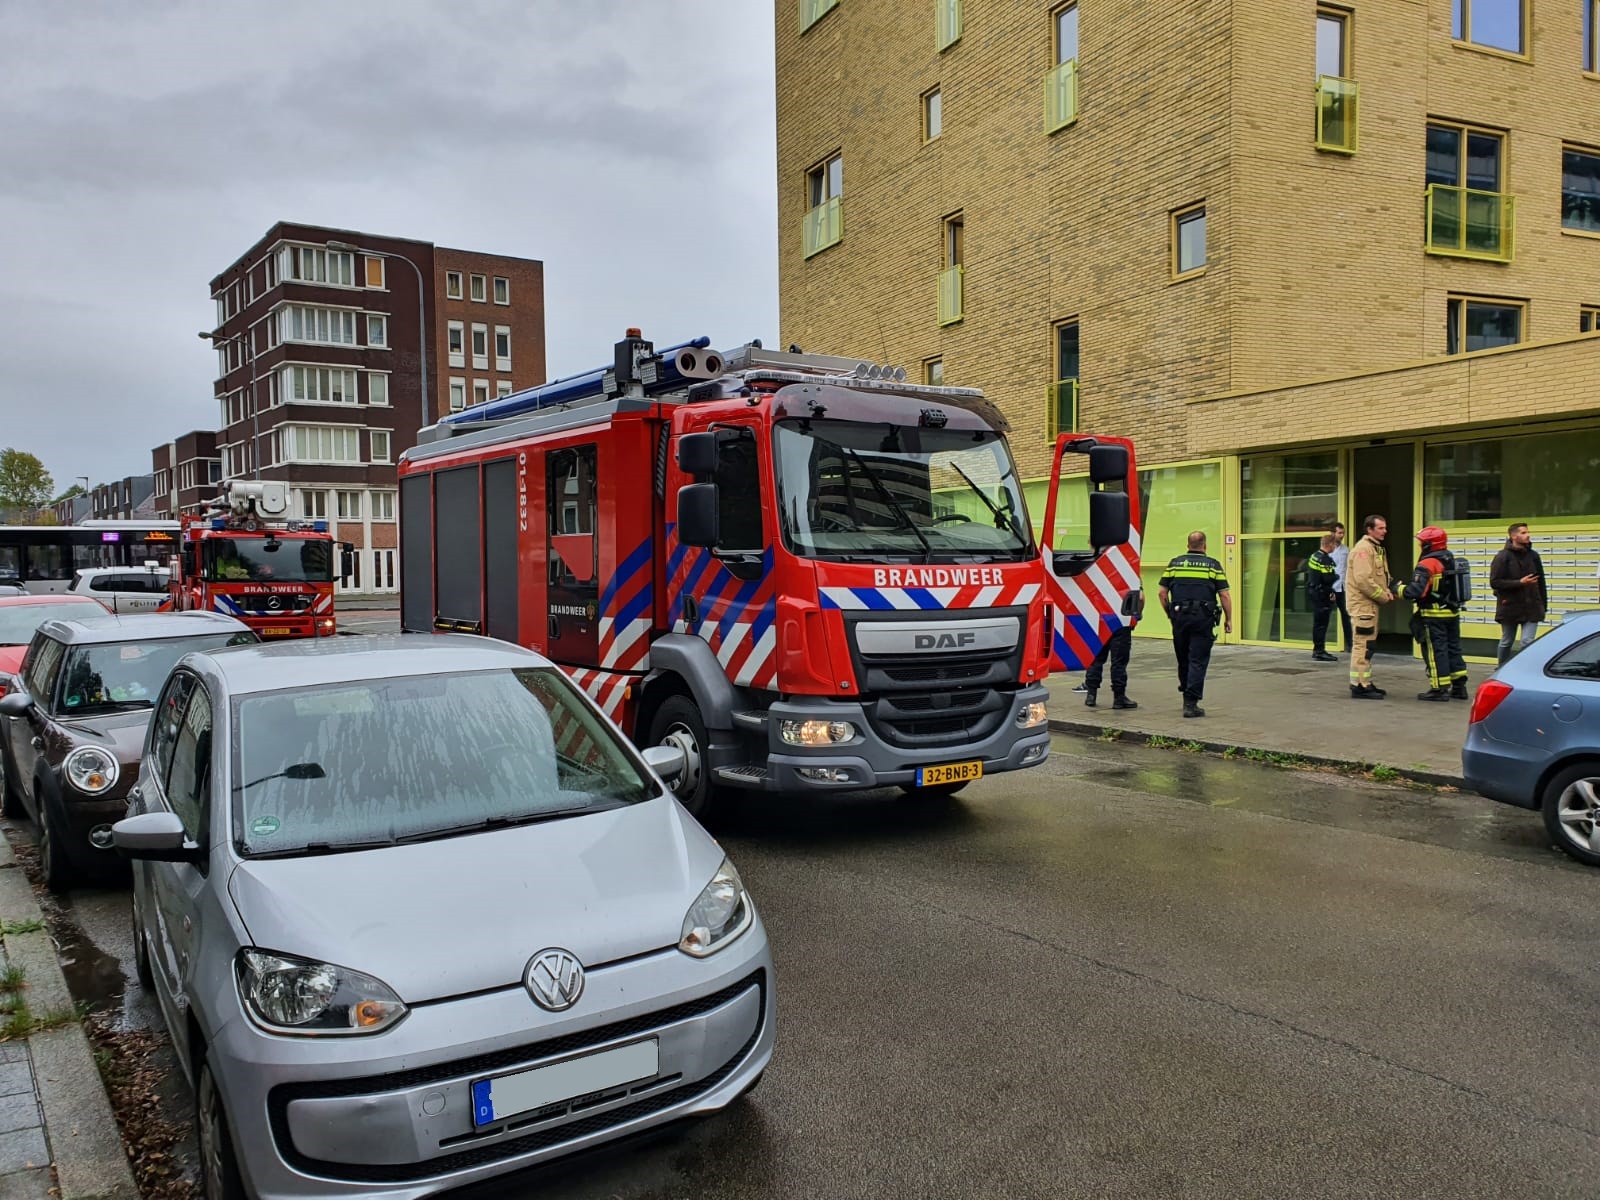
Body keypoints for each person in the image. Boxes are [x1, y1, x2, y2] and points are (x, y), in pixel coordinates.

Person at [1158, 531, 1232, 718]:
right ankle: (1191, 704)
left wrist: (1169, 614)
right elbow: (1224, 595)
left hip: (1180, 618)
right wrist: (1228, 619)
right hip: (1202, 619)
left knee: (1183, 657)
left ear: (1188, 545)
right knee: (1197, 659)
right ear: (1204, 546)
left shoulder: (1174, 564)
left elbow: (1162, 593)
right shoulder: (1213, 565)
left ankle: (1186, 693)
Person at [1402, 526, 1469, 701]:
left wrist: (1398, 590)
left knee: (1435, 651)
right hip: (1451, 613)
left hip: (1433, 615)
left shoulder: (1428, 563)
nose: (1420, 546)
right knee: (1453, 648)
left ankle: (1439, 689)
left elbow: (1417, 591)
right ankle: (1459, 687)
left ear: (1429, 544)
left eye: (1422, 543)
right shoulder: (1449, 558)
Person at [1346, 514, 1395, 699]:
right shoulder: (1364, 550)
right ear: (1369, 529)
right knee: (1363, 646)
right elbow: (1363, 580)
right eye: (1380, 528)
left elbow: (1378, 577)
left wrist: (1389, 589)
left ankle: (1364, 682)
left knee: (1368, 646)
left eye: (1385, 527)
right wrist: (1383, 596)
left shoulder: (1374, 548)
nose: (1385, 531)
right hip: (1363, 607)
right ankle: (1359, 685)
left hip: (1369, 607)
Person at [1489, 523, 1546, 664]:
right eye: (1523, 533)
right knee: (1507, 640)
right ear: (1514, 536)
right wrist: (1520, 583)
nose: (1528, 535)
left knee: (1527, 641)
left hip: (1532, 606)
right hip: (1510, 606)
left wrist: (1543, 605)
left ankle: (1524, 669)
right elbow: (1495, 582)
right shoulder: (1503, 557)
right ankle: (1501, 667)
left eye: (1527, 532)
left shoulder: (1533, 556)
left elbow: (1541, 582)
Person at [1084, 592, 1141, 710]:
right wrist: (1137, 616)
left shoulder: (1096, 580)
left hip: (1100, 621)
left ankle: (1091, 695)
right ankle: (1119, 698)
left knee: (1096, 659)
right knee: (1119, 662)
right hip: (1121, 621)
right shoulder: (1128, 580)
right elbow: (1140, 597)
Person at [1305, 533, 1339, 662]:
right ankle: (1319, 651)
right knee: (1322, 624)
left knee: (1317, 623)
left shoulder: (1314, 556)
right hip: (1322, 594)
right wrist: (1336, 577)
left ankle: (1317, 649)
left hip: (1314, 591)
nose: (1335, 547)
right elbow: (1327, 578)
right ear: (1330, 544)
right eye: (1334, 545)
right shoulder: (1325, 559)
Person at [1330, 522, 1352, 652]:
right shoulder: (1328, 549)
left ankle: (1350, 644)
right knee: (1325, 615)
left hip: (1343, 587)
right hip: (1330, 587)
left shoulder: (1346, 550)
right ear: (1333, 533)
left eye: (1343, 533)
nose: (1342, 535)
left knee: (1346, 615)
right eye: (1339, 533)